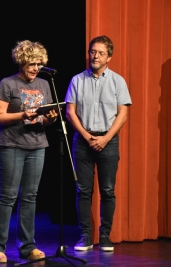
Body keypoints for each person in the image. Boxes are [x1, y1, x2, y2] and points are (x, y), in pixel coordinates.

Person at [0, 40, 58, 263]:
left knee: (30, 197)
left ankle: (28, 246)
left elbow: (43, 119)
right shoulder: (7, 84)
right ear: (22, 62)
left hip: (37, 145)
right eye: (32, 64)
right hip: (11, 144)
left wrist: (49, 119)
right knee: (8, 196)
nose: (36, 68)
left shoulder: (45, 84)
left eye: (39, 64)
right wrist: (22, 115)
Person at [64, 35, 132, 252]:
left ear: (109, 57)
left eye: (101, 53)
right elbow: (70, 112)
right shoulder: (77, 80)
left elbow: (123, 114)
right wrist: (86, 135)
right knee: (83, 191)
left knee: (108, 190)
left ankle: (105, 237)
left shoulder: (118, 81)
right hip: (83, 141)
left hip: (108, 141)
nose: (95, 56)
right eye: (93, 51)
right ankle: (85, 237)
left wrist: (105, 138)